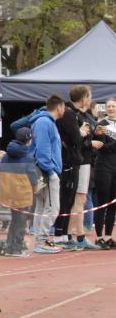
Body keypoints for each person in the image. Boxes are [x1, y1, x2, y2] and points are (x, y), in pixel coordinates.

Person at [56, 85, 98, 250]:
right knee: (74, 198)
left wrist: (95, 134)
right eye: (89, 96)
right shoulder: (69, 114)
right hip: (75, 162)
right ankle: (70, 235)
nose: (90, 100)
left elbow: (88, 132)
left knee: (77, 198)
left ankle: (70, 234)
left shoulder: (83, 115)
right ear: (83, 98)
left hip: (82, 161)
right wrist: (88, 140)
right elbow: (75, 138)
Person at [30, 95, 66, 254]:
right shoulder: (45, 123)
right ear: (59, 107)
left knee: (42, 207)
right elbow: (43, 150)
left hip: (43, 170)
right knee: (52, 207)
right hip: (45, 171)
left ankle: (40, 240)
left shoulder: (45, 122)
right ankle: (41, 240)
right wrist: (51, 172)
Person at [0, 127, 39, 256]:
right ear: (28, 140)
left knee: (14, 220)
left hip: (9, 192)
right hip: (22, 192)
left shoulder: (5, 156)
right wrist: (36, 186)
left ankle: (10, 246)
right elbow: (32, 176)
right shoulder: (27, 157)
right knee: (21, 221)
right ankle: (17, 248)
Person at [93, 97, 116, 248]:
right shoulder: (101, 124)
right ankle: (99, 237)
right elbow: (101, 146)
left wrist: (110, 145)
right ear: (105, 108)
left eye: (113, 106)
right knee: (102, 202)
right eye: (108, 106)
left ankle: (108, 237)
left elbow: (107, 146)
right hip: (103, 166)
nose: (111, 108)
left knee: (113, 203)